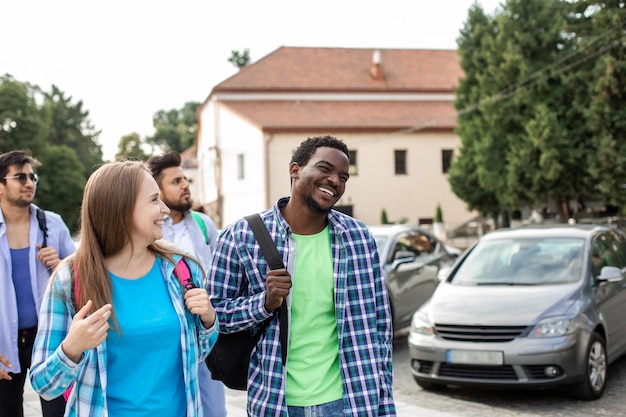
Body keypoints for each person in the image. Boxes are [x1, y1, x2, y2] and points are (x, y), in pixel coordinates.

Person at [208, 135, 397, 416]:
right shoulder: (240, 237)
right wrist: (265, 303)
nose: (335, 180)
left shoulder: (357, 238)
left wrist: (384, 403)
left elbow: (380, 327)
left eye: (343, 176)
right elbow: (212, 318)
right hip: (276, 401)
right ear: (295, 169)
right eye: (325, 169)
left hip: (351, 400)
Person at [29, 160, 218, 417]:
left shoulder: (181, 269)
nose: (164, 209)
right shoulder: (70, 279)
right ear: (122, 208)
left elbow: (195, 355)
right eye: (153, 200)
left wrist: (208, 320)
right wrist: (72, 348)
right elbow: (44, 386)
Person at [146, 151, 226, 417]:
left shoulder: (204, 225)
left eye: (184, 179)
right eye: (175, 181)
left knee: (213, 410)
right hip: (166, 338)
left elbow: (221, 278)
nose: (185, 185)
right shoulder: (149, 229)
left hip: (204, 335)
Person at [0, 150, 75, 417]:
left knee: (59, 412)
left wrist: (61, 265)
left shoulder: (52, 224)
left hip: (51, 339)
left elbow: (84, 276)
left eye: (32, 176)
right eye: (20, 177)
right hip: (4, 347)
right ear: (0, 185)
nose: (29, 182)